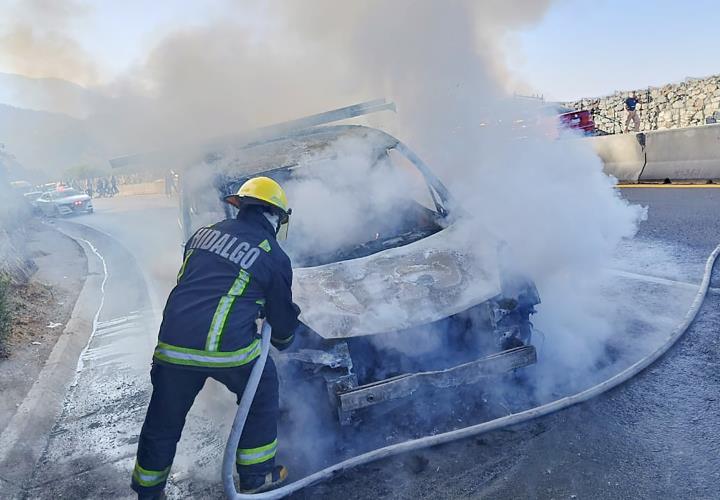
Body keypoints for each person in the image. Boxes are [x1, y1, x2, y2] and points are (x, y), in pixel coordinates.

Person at [131, 176, 301, 499]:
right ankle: (257, 476)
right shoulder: (273, 254)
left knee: (164, 418)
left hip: (171, 346)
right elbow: (280, 321)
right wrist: (285, 338)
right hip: (225, 350)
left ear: (241, 207)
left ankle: (148, 490)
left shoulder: (201, 236)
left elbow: (201, 284)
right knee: (262, 386)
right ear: (276, 217)